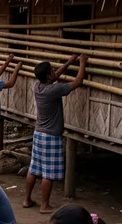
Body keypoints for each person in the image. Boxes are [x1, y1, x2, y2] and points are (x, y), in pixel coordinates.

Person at [25, 54, 87, 213]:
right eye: (52, 70)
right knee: (49, 173)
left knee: (33, 169)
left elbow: (56, 75)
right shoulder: (54, 89)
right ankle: (45, 206)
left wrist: (69, 62)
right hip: (50, 136)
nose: (55, 71)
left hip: (38, 133)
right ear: (47, 76)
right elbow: (77, 82)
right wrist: (82, 63)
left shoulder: (38, 86)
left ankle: (27, 200)